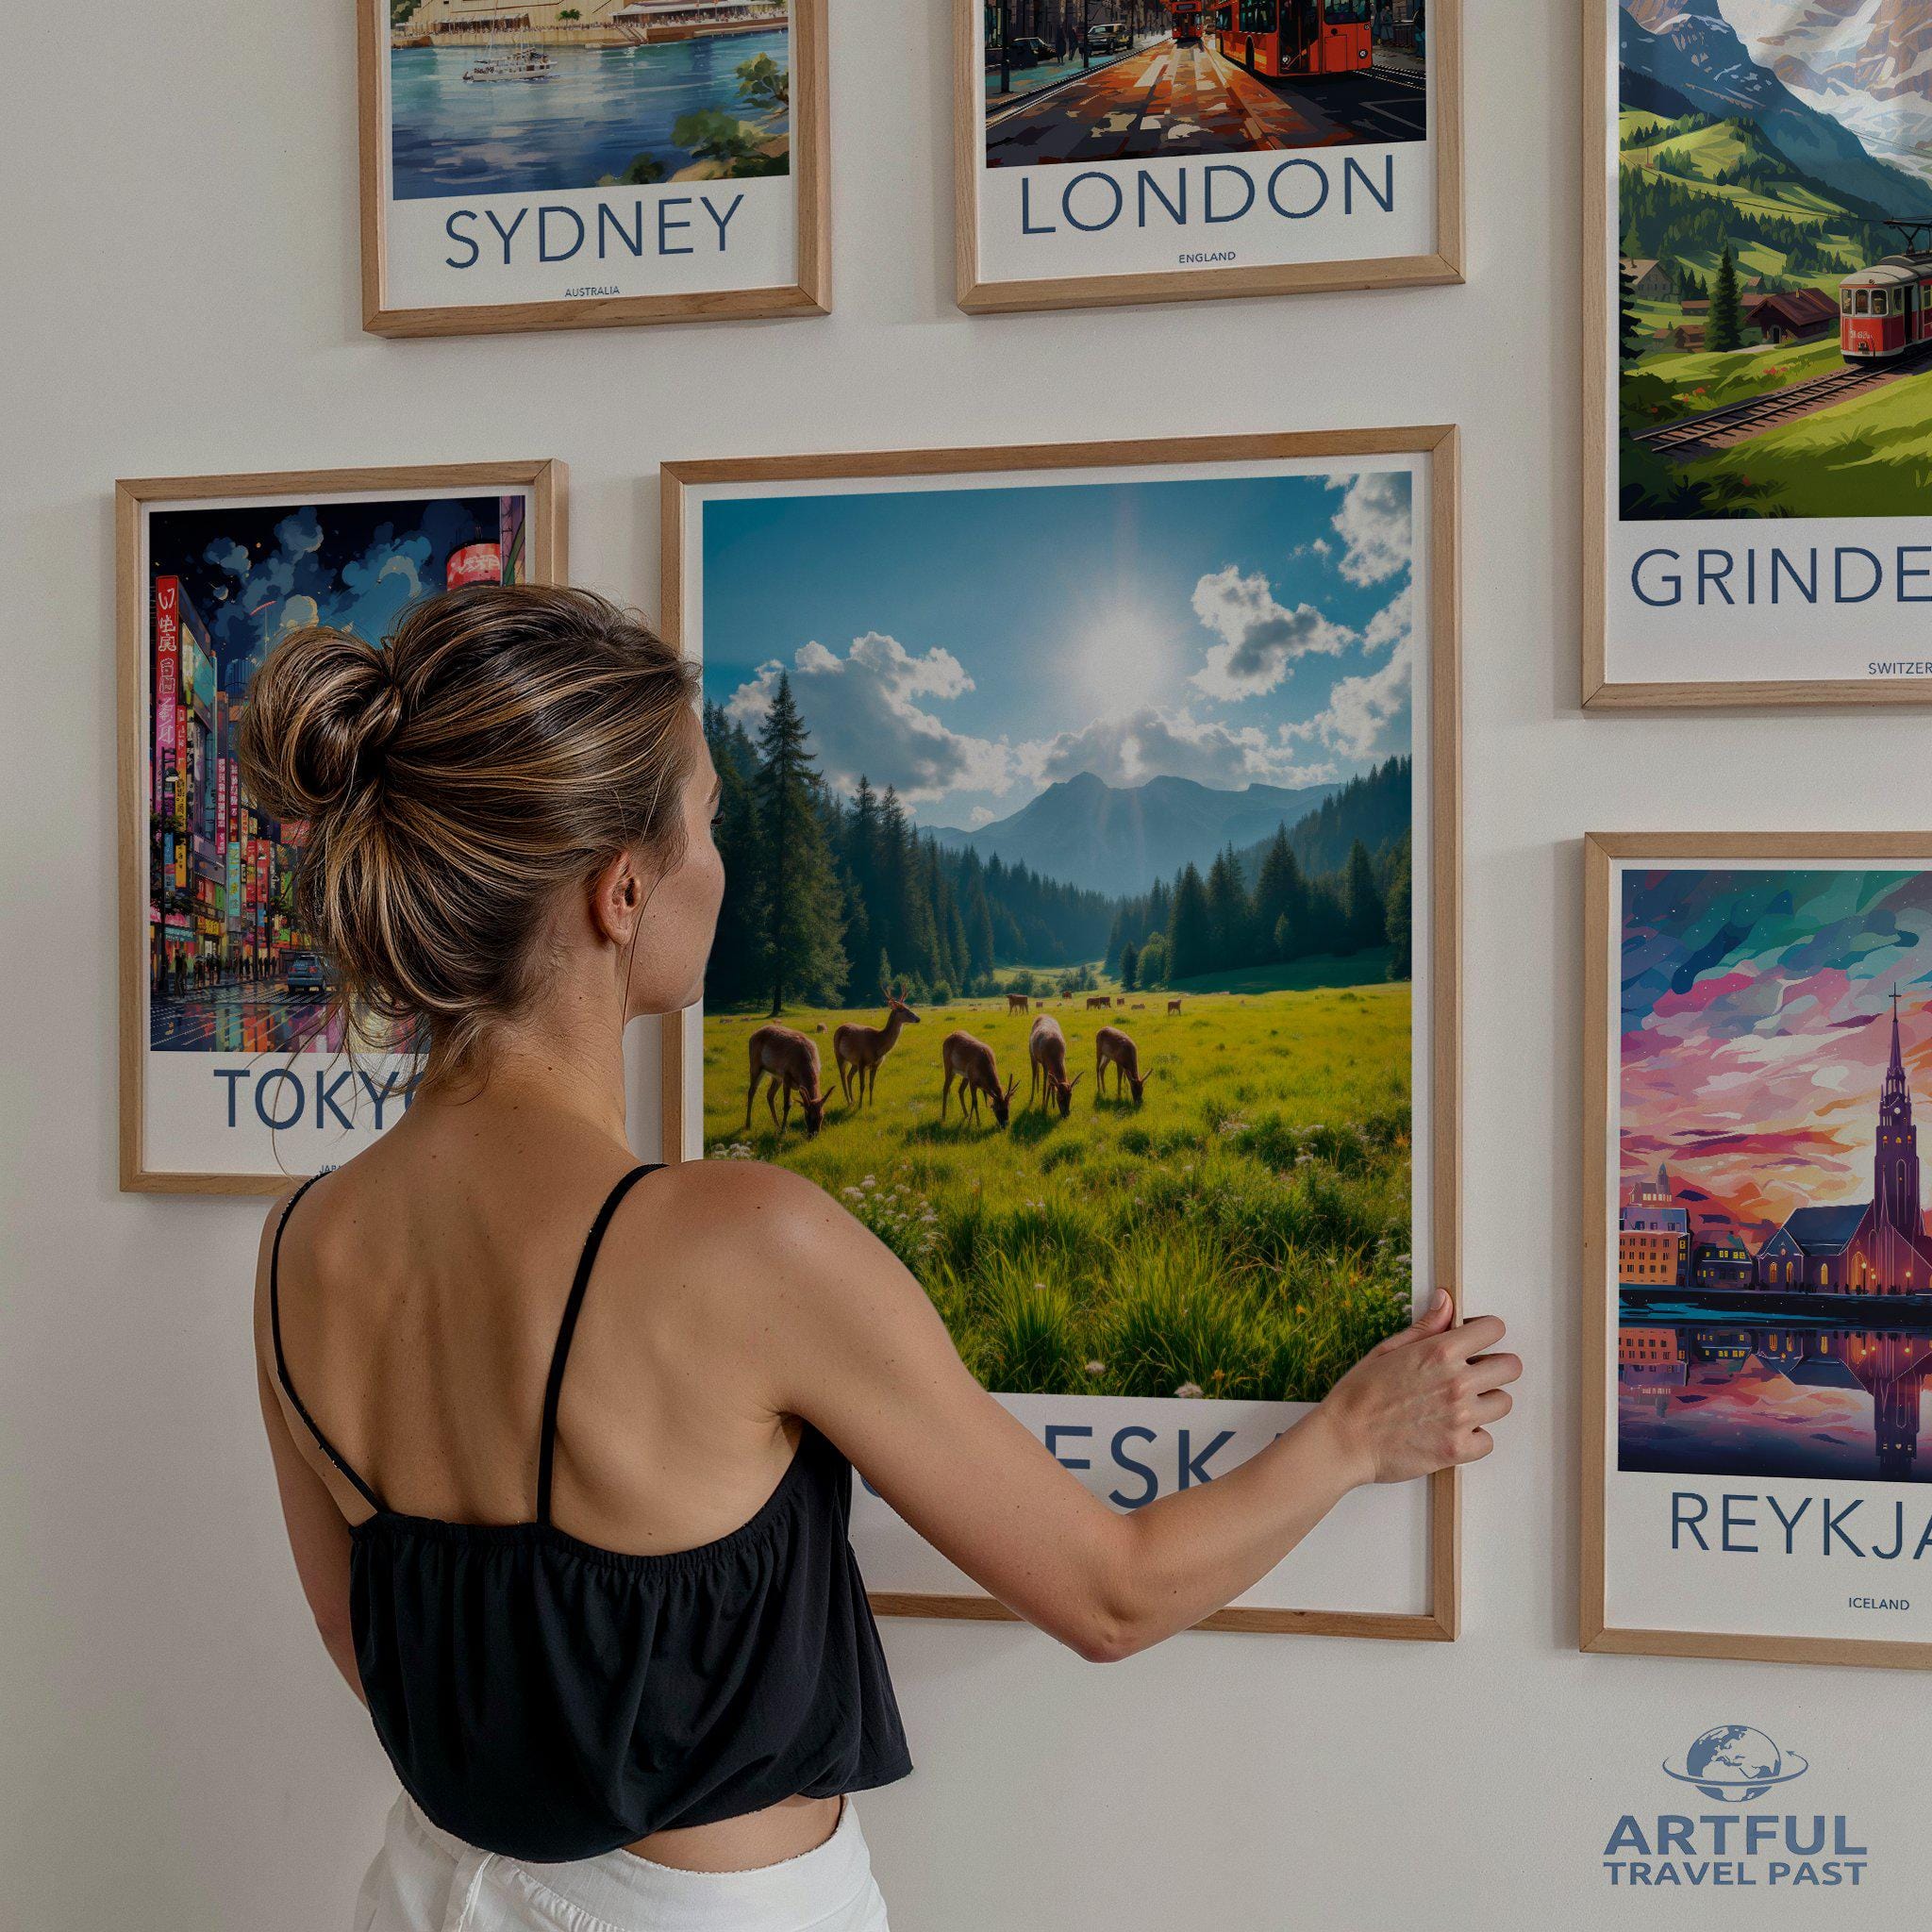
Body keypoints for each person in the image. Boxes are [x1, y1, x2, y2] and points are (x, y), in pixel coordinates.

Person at [242, 584, 1518, 1932]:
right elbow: (1112, 1592)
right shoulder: (744, 1243)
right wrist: (1358, 1436)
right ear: (623, 891)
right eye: (712, 817)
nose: (720, 860)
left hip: (426, 1889)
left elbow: (366, 1648)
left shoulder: (299, 1244)